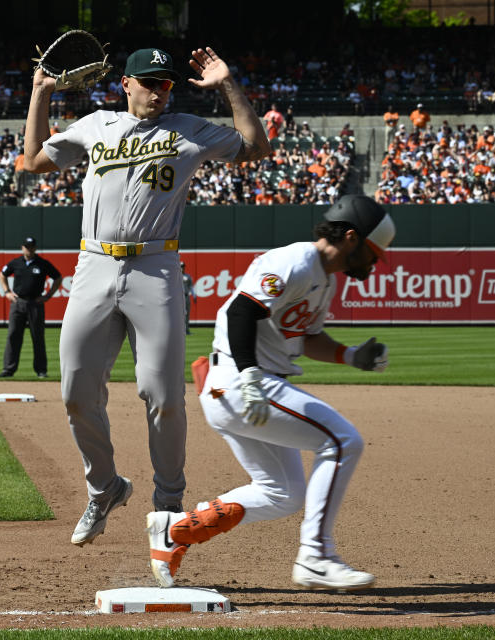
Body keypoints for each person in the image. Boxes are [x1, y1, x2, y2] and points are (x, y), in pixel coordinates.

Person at [22, 44, 270, 546]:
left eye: (166, 83)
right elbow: (31, 162)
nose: (159, 90)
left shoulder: (189, 129)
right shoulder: (96, 125)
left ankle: (169, 505)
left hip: (155, 268)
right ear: (127, 85)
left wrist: (227, 84)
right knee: (74, 393)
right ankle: (105, 487)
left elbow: (256, 148)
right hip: (93, 264)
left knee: (162, 396)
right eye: (150, 81)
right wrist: (39, 94)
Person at [144, 195, 395, 591]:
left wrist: (350, 356)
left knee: (282, 493)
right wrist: (250, 375)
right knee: (343, 441)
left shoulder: (324, 279)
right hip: (244, 383)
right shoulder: (294, 262)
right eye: (374, 252)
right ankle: (316, 555)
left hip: (244, 387)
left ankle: (177, 531)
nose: (375, 262)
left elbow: (305, 336)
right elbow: (240, 312)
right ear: (351, 237)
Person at [0, 237, 62, 378]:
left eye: (31, 246)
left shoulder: (42, 263)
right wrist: (7, 292)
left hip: (35, 304)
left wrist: (48, 295)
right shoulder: (16, 263)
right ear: (22, 248)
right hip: (18, 302)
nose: (29, 249)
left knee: (37, 337)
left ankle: (41, 370)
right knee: (13, 335)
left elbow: (58, 277)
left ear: (35, 248)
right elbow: (2, 275)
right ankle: (8, 369)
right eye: (27, 246)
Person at [180, 261, 196, 335]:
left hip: (186, 296)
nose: (182, 268)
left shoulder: (187, 276)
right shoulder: (175, 276)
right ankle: (180, 331)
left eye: (183, 266)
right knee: (179, 314)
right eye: (181, 266)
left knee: (187, 314)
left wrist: (194, 295)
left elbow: (191, 287)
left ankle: (187, 330)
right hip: (179, 297)